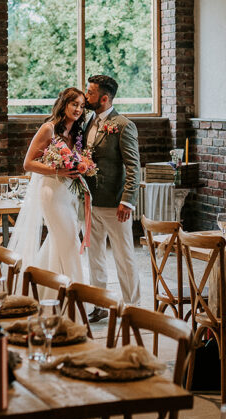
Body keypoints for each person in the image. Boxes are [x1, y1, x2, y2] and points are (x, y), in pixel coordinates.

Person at [8, 87, 86, 282]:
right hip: (52, 192)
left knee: (57, 242)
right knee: (69, 242)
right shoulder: (48, 128)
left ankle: (43, 287)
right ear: (64, 104)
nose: (78, 109)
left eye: (82, 106)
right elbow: (28, 163)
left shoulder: (76, 132)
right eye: (74, 104)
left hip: (69, 192)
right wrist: (57, 171)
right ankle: (73, 292)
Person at [84, 74, 141, 316]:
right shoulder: (89, 121)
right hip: (90, 201)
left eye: (91, 93)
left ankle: (133, 307)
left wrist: (127, 200)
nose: (86, 96)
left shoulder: (124, 125)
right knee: (94, 255)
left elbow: (134, 166)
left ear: (104, 98)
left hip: (115, 204)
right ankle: (99, 305)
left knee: (124, 256)